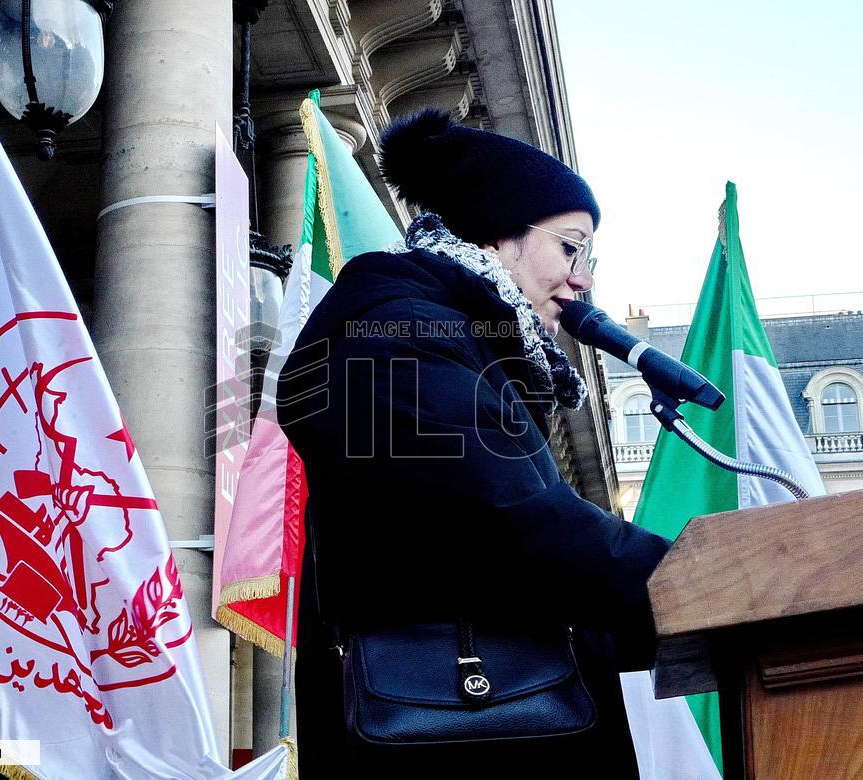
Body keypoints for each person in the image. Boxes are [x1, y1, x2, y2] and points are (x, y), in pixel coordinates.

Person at [276, 109, 672, 778]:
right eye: (571, 247)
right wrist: (700, 578)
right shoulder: (396, 330)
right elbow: (511, 518)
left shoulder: (452, 336)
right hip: (451, 742)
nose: (584, 280)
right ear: (497, 235)